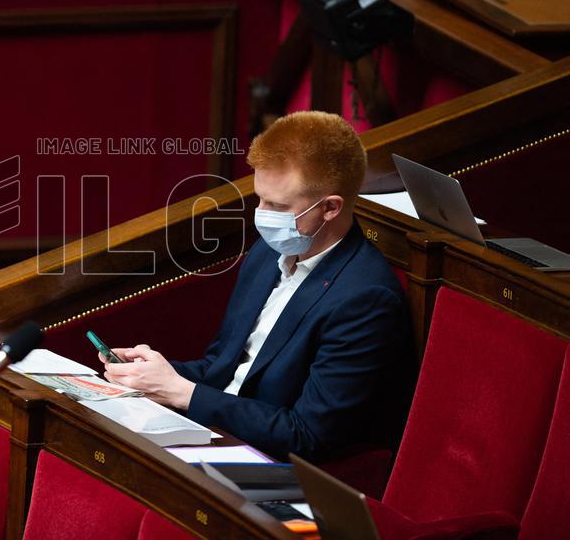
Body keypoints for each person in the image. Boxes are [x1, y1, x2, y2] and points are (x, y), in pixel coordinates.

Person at [102, 111, 413, 461]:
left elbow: (307, 434)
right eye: (260, 198)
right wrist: (153, 375)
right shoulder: (268, 251)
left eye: (278, 206)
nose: (262, 215)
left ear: (330, 208)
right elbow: (223, 366)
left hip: (278, 463)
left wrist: (183, 393)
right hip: (217, 433)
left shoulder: (366, 300)